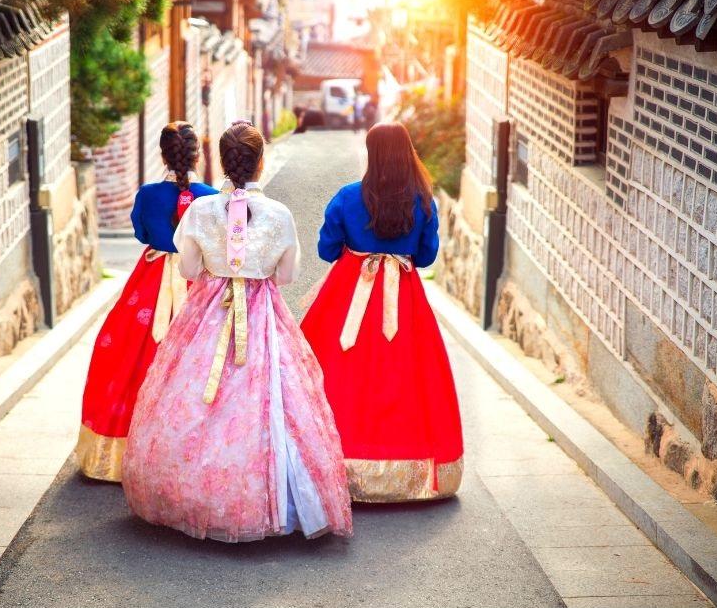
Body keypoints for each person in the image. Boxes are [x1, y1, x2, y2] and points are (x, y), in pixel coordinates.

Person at [122, 121, 353, 542]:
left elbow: (188, 269)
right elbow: (287, 275)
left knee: (192, 394)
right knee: (272, 400)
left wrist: (219, 267)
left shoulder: (200, 210)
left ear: (223, 164)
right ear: (260, 162)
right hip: (261, 313)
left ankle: (190, 494)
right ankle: (271, 497)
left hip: (205, 313)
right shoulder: (278, 215)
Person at [300, 122, 464, 503]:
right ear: (407, 153)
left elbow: (327, 250)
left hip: (349, 295)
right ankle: (407, 467)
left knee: (340, 374)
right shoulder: (424, 201)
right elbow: (424, 257)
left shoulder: (346, 197)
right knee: (407, 377)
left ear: (372, 155)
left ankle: (335, 463)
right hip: (404, 298)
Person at [76, 122, 217, 482]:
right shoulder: (212, 197)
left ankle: (118, 448)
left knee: (130, 355)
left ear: (163, 155)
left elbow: (141, 232)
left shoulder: (148, 194)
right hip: (196, 280)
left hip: (151, 282)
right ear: (197, 155)